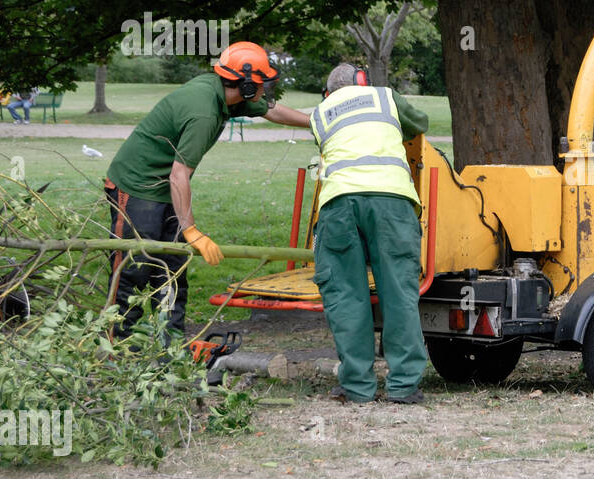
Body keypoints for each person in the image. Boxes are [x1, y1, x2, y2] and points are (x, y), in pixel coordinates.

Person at [104, 41, 310, 338]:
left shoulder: (224, 92)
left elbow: (273, 111)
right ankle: (119, 352)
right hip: (136, 186)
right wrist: (192, 231)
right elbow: (179, 176)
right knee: (134, 270)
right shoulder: (204, 112)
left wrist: (319, 123)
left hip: (166, 189)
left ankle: (171, 349)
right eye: (262, 83)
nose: (266, 89)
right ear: (247, 86)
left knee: (173, 272)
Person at [310, 62, 429, 404]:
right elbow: (418, 124)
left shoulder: (322, 112)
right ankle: (403, 387)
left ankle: (358, 387)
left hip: (339, 205)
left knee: (346, 296)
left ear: (329, 92)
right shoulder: (385, 97)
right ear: (363, 82)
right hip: (392, 203)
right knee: (398, 292)